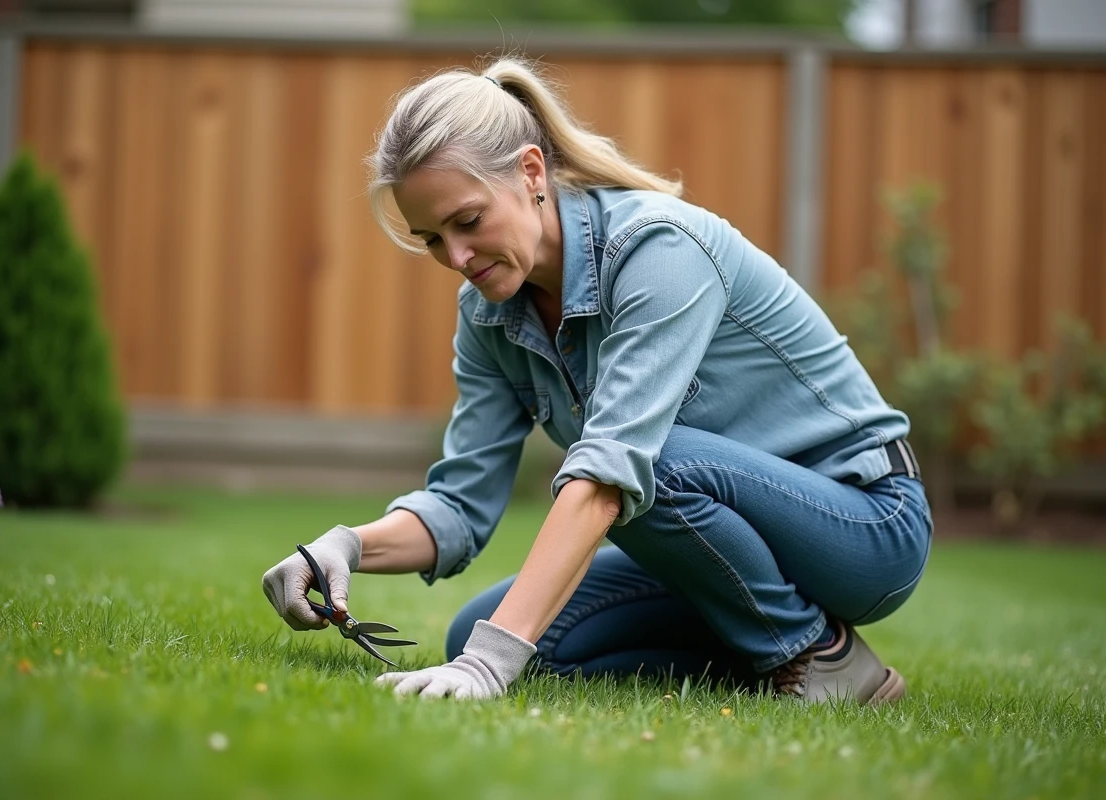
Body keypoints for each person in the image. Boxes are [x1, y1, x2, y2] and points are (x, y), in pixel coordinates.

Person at [261, 57, 933, 704]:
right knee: (485, 630)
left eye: (467, 222)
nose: (456, 258)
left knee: (642, 463)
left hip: (867, 526)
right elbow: (462, 505)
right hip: (719, 538)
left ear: (530, 172)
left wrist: (489, 667)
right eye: (432, 238)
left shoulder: (658, 249)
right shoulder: (491, 313)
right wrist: (342, 547)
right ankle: (784, 655)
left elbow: (613, 470)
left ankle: (811, 654)